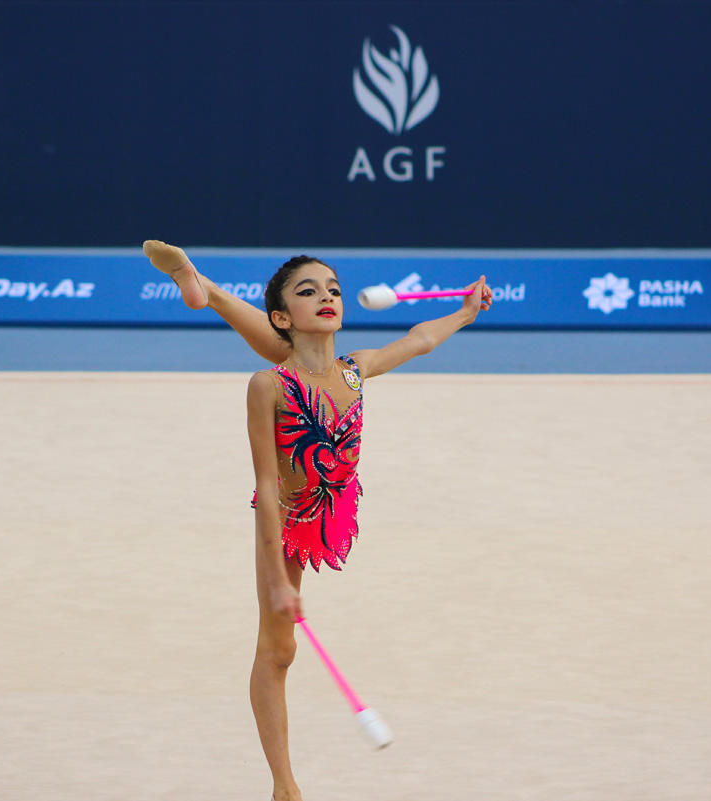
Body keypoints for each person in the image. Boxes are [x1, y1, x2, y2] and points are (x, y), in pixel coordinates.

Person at [143, 240, 491, 801]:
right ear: (281, 313)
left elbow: (419, 340)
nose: (327, 295)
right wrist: (278, 580)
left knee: (306, 362)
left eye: (332, 288)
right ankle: (284, 785)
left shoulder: (354, 371)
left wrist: (465, 312)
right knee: (278, 650)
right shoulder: (266, 386)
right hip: (287, 517)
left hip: (329, 505)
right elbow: (265, 485)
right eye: (309, 291)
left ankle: (202, 288)